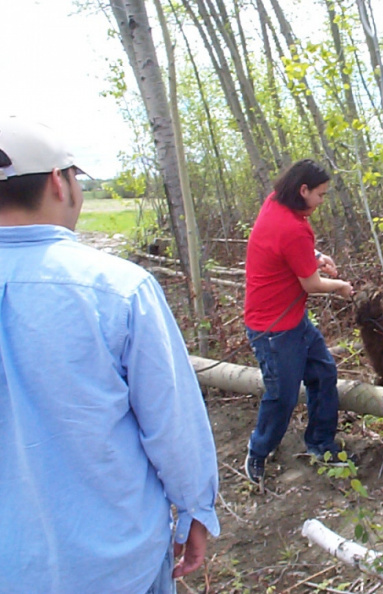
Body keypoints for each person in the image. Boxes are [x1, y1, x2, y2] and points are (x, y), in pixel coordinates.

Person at [0, 117, 220, 594]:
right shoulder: (118, 289)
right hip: (114, 565)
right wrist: (196, 508)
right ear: (59, 181)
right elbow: (171, 423)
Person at [244, 158, 355, 485]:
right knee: (283, 396)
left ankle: (321, 443)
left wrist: (316, 257)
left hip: (295, 321)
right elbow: (312, 285)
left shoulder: (278, 202)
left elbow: (291, 254)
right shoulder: (291, 227)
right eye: (320, 194)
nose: (322, 201)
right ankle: (258, 450)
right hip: (272, 329)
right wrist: (341, 287)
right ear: (303, 190)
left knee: (323, 373)